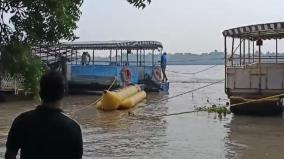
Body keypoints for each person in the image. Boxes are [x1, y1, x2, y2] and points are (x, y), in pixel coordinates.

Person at [5, 71, 83, 159]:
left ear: (40, 92)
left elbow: (9, 155)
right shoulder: (73, 128)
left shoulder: (22, 121)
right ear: (63, 93)